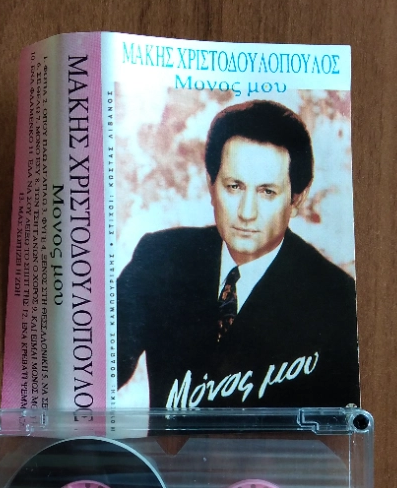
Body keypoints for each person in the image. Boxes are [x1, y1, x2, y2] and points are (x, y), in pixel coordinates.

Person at [117, 99, 360, 408]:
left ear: (297, 199)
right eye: (234, 187)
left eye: (267, 192)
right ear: (211, 185)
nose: (246, 213)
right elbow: (92, 372)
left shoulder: (338, 301)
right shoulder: (159, 258)